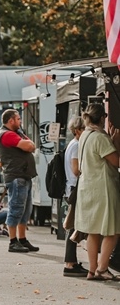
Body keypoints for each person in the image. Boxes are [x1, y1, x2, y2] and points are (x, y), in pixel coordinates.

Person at [75, 104, 120, 280]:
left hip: (87, 188)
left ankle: (92, 270)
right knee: (113, 229)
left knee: (93, 231)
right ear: (102, 118)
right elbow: (116, 161)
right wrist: (115, 142)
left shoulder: (85, 135)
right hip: (104, 188)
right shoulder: (100, 138)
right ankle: (102, 268)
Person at [0, 109, 39, 253]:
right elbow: (29, 146)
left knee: (25, 211)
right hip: (16, 177)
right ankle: (13, 241)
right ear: (11, 121)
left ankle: (22, 239)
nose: (20, 121)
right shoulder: (7, 134)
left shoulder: (17, 133)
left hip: (24, 175)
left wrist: (29, 143)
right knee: (16, 209)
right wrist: (29, 144)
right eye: (18, 119)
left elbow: (32, 145)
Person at [62, 117, 88, 277]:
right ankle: (70, 263)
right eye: (84, 129)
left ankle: (70, 261)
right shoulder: (77, 145)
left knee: (73, 224)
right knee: (72, 225)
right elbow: (75, 170)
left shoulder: (72, 144)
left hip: (70, 188)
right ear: (77, 130)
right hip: (74, 188)